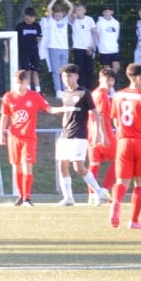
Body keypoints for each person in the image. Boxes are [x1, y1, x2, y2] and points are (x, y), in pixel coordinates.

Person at [48, 64, 106, 207]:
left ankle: (99, 192)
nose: (66, 79)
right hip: (65, 135)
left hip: (79, 135)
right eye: (64, 76)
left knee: (78, 167)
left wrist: (98, 132)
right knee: (62, 164)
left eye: (69, 76)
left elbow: (96, 114)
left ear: (76, 76)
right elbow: (67, 114)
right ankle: (68, 198)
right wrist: (64, 127)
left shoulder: (84, 93)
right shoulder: (64, 93)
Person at [108, 63, 141, 229]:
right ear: (138, 78)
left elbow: (115, 120)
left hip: (123, 142)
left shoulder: (118, 95)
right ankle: (134, 221)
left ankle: (116, 202)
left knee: (121, 181)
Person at [0, 68, 49, 206]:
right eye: (17, 83)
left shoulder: (35, 96)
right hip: (14, 137)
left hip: (28, 137)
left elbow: (48, 108)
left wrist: (63, 109)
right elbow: (4, 116)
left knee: (27, 166)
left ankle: (27, 198)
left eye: (21, 82)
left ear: (27, 82)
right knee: (18, 167)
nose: (19, 85)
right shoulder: (8, 97)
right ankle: (21, 196)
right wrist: (1, 133)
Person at [89, 69, 117, 206]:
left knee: (94, 165)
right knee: (119, 160)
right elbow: (99, 116)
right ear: (100, 79)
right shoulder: (102, 95)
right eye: (107, 79)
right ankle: (104, 191)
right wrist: (103, 135)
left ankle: (92, 195)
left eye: (111, 80)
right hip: (103, 133)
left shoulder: (93, 93)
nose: (109, 82)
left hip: (92, 134)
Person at [42, 0, 71, 95]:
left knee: (65, 70)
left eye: (60, 15)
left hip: (64, 48)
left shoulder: (65, 20)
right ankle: (58, 90)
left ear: (63, 14)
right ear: (54, 15)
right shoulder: (51, 21)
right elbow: (49, 8)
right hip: (53, 47)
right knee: (56, 70)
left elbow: (71, 8)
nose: (58, 17)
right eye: (56, 15)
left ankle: (65, 88)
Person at [67, 0, 97, 91]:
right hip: (78, 48)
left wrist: (92, 46)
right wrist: (73, 14)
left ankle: (89, 90)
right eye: (77, 10)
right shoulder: (73, 20)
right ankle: (81, 89)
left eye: (80, 10)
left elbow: (95, 33)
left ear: (84, 10)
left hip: (88, 48)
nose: (78, 12)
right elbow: (69, 17)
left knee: (89, 70)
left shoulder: (89, 19)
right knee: (80, 70)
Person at [15, 6, 43, 92]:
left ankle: (38, 91)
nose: (32, 19)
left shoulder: (37, 26)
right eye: (30, 16)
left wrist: (39, 38)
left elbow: (40, 36)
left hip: (34, 52)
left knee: (35, 71)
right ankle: (28, 90)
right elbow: (17, 39)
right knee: (27, 71)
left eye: (33, 17)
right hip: (24, 52)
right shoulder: (20, 26)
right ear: (26, 16)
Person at [95, 6, 122, 79]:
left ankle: (110, 80)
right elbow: (96, 35)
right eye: (105, 11)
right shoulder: (99, 23)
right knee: (107, 69)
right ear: (102, 13)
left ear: (112, 12)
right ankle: (107, 83)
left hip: (114, 49)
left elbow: (116, 35)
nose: (107, 13)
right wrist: (98, 46)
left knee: (116, 67)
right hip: (104, 50)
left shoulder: (116, 23)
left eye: (108, 11)